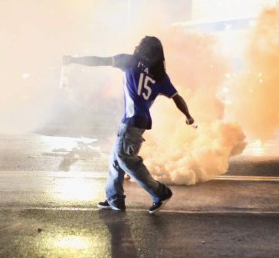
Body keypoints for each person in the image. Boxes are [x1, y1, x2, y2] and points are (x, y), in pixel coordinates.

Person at [63, 36, 194, 214]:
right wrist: (188, 116)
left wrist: (74, 60)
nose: (136, 46)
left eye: (139, 44)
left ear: (142, 49)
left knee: (126, 160)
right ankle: (114, 198)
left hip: (132, 121)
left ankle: (160, 192)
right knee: (116, 160)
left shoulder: (131, 61)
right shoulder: (160, 75)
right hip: (138, 122)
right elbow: (177, 97)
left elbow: (99, 61)